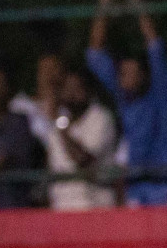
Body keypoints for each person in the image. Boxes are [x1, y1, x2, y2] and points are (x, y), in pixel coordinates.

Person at [88, 0, 167, 206]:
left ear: (145, 75)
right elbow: (95, 54)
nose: (124, 78)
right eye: (122, 73)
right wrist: (104, 5)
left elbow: (155, 47)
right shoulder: (124, 97)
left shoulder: (162, 94)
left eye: (131, 73)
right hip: (136, 192)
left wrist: (138, 3)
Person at [47, 68, 118, 211]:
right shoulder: (59, 124)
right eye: (67, 88)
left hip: (94, 208)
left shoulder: (101, 118)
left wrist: (61, 128)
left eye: (77, 88)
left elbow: (82, 159)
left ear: (89, 91)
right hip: (62, 209)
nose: (71, 94)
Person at [0, 67, 40, 209]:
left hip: (13, 204)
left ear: (9, 90)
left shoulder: (19, 123)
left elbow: (1, 161)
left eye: (0, 85)